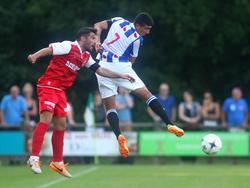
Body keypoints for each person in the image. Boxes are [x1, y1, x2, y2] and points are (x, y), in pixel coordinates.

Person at [26, 27, 135, 177]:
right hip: (48, 86)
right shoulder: (68, 46)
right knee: (46, 119)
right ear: (83, 38)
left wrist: (121, 75)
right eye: (92, 38)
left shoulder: (85, 56)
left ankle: (57, 162)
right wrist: (35, 56)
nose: (94, 41)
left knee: (61, 125)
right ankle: (34, 158)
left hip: (60, 91)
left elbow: (100, 70)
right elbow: (50, 49)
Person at [94, 12, 184, 158]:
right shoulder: (137, 39)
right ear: (137, 25)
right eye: (146, 28)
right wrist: (121, 78)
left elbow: (97, 25)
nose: (147, 32)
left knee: (110, 107)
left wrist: (97, 41)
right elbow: (132, 61)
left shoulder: (118, 20)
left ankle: (119, 136)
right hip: (121, 66)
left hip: (101, 67)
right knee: (147, 95)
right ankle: (169, 123)